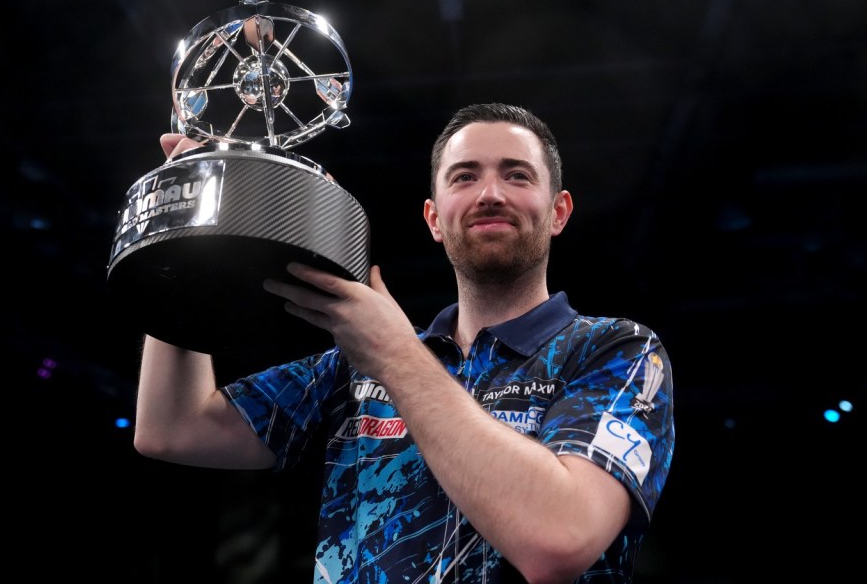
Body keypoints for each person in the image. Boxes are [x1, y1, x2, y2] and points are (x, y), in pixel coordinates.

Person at [135, 103, 675, 584]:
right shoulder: (357, 363)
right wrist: (182, 257)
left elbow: (558, 541)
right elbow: (173, 428)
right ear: (434, 219)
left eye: (516, 175)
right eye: (464, 177)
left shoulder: (616, 351)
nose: (490, 194)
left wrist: (395, 356)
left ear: (558, 211)